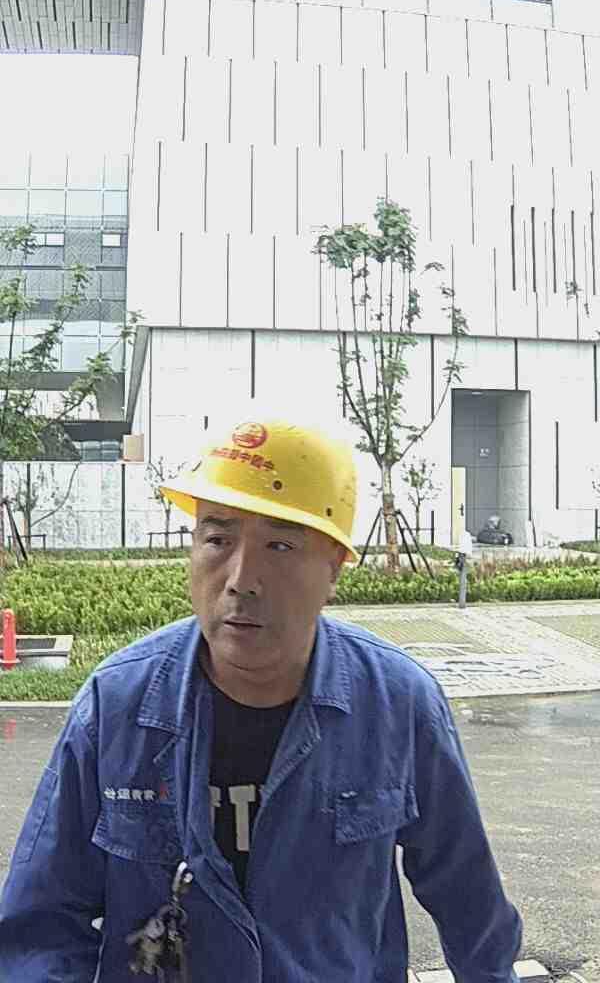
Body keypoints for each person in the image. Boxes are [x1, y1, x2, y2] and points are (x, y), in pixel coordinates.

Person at [0, 416, 522, 982]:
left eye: (280, 545)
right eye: (217, 540)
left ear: (334, 568)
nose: (241, 579)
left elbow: (470, 904)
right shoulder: (117, 705)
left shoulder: (399, 704)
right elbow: (41, 926)